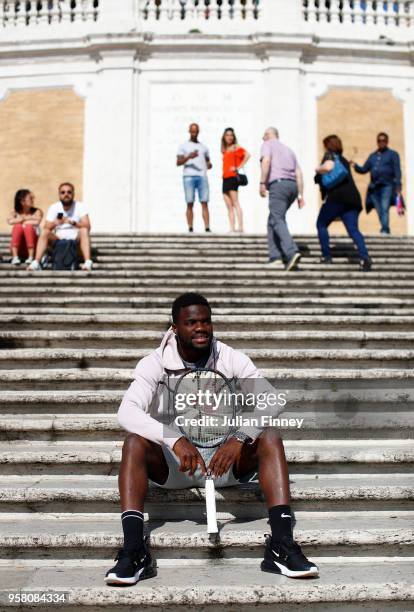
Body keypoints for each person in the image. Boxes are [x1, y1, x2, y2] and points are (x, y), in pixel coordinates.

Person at [105, 292, 318, 586]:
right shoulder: (154, 363)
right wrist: (174, 439)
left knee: (269, 437)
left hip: (224, 462)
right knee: (133, 443)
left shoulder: (229, 357)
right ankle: (133, 549)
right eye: (192, 322)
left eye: (206, 321)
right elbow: (126, 412)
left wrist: (241, 436)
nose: (201, 328)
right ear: (175, 327)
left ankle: (282, 546)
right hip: (177, 465)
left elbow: (273, 398)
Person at [315, 134, 372, 271]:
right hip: (353, 199)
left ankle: (326, 256)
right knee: (353, 230)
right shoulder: (344, 160)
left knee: (321, 224)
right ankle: (365, 258)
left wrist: (317, 169)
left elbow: (328, 168)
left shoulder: (329, 156)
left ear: (327, 146)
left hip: (337, 197)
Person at [260, 128, 305, 271]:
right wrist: (300, 195)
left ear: (268, 135)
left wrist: (262, 183)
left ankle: (291, 252)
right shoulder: (288, 150)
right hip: (292, 187)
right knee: (272, 220)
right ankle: (275, 256)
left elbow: (266, 162)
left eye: (263, 136)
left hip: (278, 185)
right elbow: (299, 173)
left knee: (278, 218)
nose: (262, 138)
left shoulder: (267, 145)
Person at [28, 182, 92, 271]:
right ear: (59, 194)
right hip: (58, 238)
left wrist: (73, 223)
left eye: (69, 192)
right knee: (45, 232)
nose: (66, 194)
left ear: (73, 194)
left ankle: (87, 262)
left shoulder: (80, 206)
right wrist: (57, 222)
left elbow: (87, 226)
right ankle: (36, 262)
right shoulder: (54, 207)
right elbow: (46, 227)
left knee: (84, 230)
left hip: (75, 238)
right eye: (63, 192)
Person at [351, 132, 402, 235]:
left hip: (387, 186)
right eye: (379, 140)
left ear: (387, 142)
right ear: (377, 142)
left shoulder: (393, 154)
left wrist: (398, 186)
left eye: (383, 140)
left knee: (384, 207)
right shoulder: (372, 156)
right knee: (379, 209)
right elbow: (364, 169)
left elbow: (397, 170)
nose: (381, 142)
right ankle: (384, 226)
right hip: (374, 187)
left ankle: (385, 229)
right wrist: (355, 165)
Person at [177, 123, 212, 233]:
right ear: (189, 131)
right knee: (190, 202)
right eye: (192, 131)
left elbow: (208, 162)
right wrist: (188, 157)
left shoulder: (204, 147)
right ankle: (190, 227)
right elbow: (178, 162)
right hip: (188, 176)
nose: (194, 133)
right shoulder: (183, 146)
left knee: (204, 202)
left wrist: (209, 165)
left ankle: (207, 227)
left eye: (196, 131)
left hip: (202, 176)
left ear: (198, 132)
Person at [221, 127, 250, 233]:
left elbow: (247, 155)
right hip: (225, 178)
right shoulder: (225, 150)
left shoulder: (235, 147)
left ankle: (241, 227)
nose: (229, 137)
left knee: (235, 202)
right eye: (227, 135)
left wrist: (238, 167)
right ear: (224, 137)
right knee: (229, 205)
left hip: (233, 177)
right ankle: (232, 228)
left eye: (231, 135)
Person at [7, 189, 43, 265]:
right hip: (20, 247)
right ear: (22, 201)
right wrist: (28, 219)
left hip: (33, 246)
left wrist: (21, 219)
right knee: (18, 227)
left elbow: (37, 221)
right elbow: (10, 221)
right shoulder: (15, 211)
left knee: (28, 227)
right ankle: (15, 256)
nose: (33, 200)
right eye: (30, 198)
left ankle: (31, 256)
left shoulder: (37, 211)